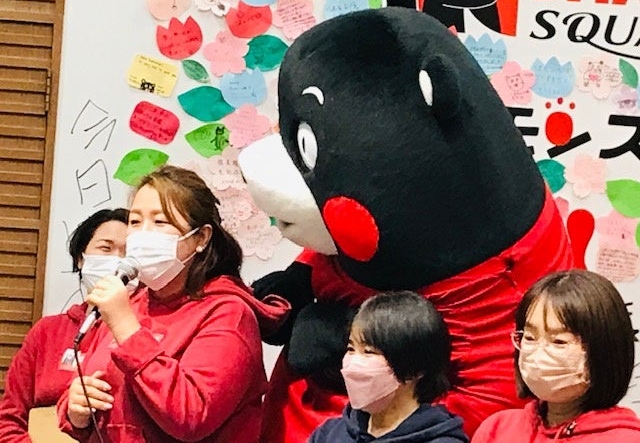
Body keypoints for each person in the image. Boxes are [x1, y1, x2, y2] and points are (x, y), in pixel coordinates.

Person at [56, 165, 291, 442]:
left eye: (160, 222)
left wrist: (126, 328)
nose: (143, 233)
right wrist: (75, 411)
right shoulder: (131, 303)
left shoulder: (229, 314)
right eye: (135, 222)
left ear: (201, 238)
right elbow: (97, 396)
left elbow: (191, 416)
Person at [0, 208, 128, 442]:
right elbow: (8, 419)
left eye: (128, 253)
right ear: (81, 258)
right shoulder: (47, 332)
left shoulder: (147, 334)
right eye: (105, 248)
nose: (118, 261)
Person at [472, 269, 640, 442]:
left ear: (604, 350)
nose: (539, 353)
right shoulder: (497, 429)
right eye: (529, 338)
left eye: (559, 341)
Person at [308, 291, 469, 443]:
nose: (353, 363)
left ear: (414, 370)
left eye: (368, 351)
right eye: (351, 349)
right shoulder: (329, 433)